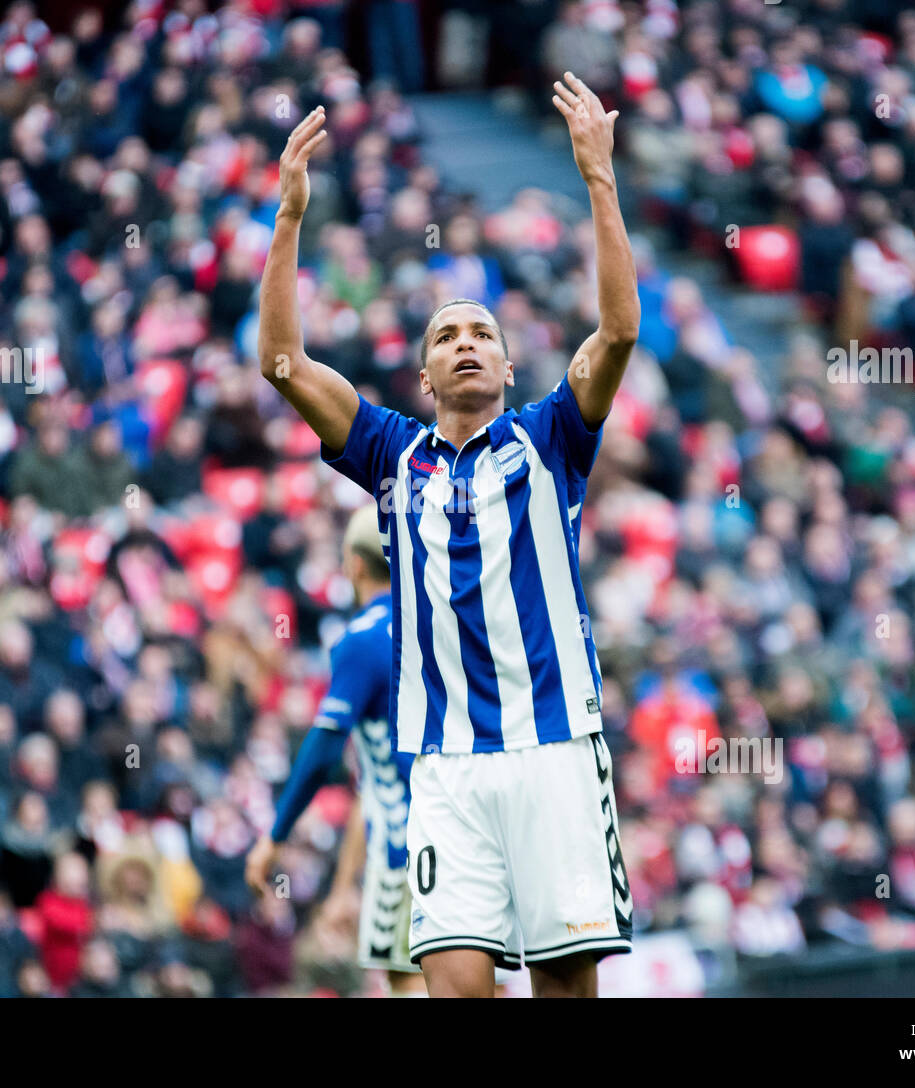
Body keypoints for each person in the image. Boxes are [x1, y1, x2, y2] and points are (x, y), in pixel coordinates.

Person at [257, 72, 640, 998]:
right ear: (425, 375)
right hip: (445, 763)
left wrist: (598, 180)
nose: (465, 341)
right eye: (446, 336)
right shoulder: (391, 455)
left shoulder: (551, 437)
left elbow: (619, 330)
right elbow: (281, 364)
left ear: (508, 366)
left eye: (480, 332)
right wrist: (288, 221)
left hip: (554, 747)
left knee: (563, 988)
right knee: (453, 987)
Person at [245, 505, 422, 994]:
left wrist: (275, 835)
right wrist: (344, 886)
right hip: (469, 834)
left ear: (354, 565)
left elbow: (323, 752)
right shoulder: (440, 624)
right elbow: (372, 783)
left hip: (409, 849)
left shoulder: (362, 641)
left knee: (408, 981)